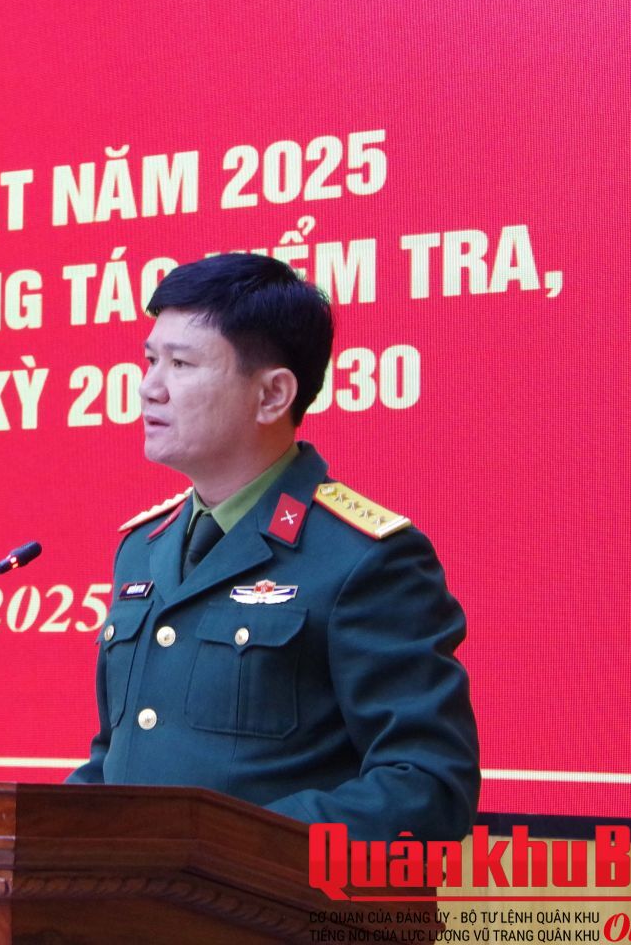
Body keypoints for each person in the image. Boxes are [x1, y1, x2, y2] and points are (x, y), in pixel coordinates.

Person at [66, 252, 480, 841]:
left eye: (180, 364)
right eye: (150, 360)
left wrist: (223, 844)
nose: (149, 388)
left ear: (272, 395)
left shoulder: (364, 558)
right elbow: (119, 761)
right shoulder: (143, 548)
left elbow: (428, 788)